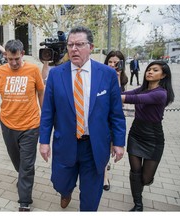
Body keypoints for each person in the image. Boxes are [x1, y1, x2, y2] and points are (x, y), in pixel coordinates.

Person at [39, 26, 126, 211]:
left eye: (79, 44)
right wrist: (44, 141)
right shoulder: (56, 74)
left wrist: (119, 142)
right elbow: (47, 112)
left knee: (91, 197)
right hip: (65, 144)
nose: (73, 49)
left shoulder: (107, 74)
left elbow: (116, 113)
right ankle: (66, 191)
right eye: (70, 45)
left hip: (95, 146)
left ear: (91, 46)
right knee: (60, 183)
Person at [0, 39, 44, 212]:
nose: (14, 63)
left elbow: (41, 91)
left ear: (22, 54)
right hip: (8, 124)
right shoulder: (0, 72)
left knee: (26, 165)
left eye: (17, 58)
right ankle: (23, 177)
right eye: (10, 59)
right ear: (6, 56)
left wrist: (45, 115)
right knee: (17, 162)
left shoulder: (33, 69)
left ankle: (24, 201)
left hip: (31, 125)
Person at [121, 60, 175, 211]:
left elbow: (134, 99)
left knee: (145, 178)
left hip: (153, 137)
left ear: (163, 75)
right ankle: (138, 204)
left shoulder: (160, 94)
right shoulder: (143, 88)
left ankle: (143, 183)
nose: (150, 72)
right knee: (135, 171)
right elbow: (126, 94)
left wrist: (114, 98)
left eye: (155, 70)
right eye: (149, 69)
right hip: (136, 133)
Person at [103, 50, 128, 191]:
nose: (112, 65)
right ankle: (104, 177)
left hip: (114, 118)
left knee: (112, 144)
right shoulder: (100, 75)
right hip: (102, 118)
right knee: (106, 147)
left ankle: (105, 168)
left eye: (116, 63)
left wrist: (117, 78)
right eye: (110, 62)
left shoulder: (122, 79)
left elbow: (120, 101)